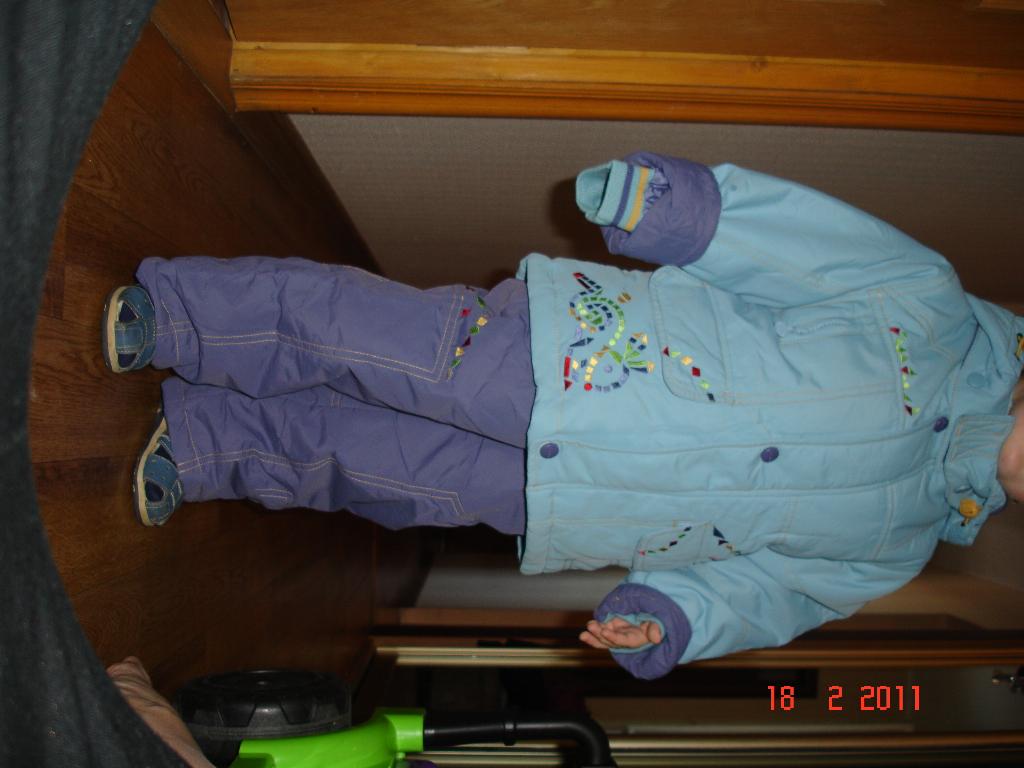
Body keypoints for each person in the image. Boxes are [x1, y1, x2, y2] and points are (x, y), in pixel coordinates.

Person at [103, 152, 1024, 680]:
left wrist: (673, 619)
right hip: (576, 357)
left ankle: (208, 444)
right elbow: (800, 246)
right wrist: (683, 212)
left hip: (574, 499)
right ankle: (189, 318)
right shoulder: (929, 311)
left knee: (377, 469)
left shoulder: (897, 546)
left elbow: (767, 594)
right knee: (362, 338)